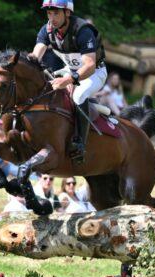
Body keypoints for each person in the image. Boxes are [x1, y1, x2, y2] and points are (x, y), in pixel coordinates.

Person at [29, 0, 108, 164]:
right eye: (49, 13)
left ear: (67, 13)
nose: (52, 17)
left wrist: (69, 80)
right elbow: (35, 56)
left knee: (78, 96)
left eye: (56, 13)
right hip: (70, 70)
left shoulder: (83, 31)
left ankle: (80, 143)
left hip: (95, 73)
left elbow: (90, 65)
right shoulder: (47, 30)